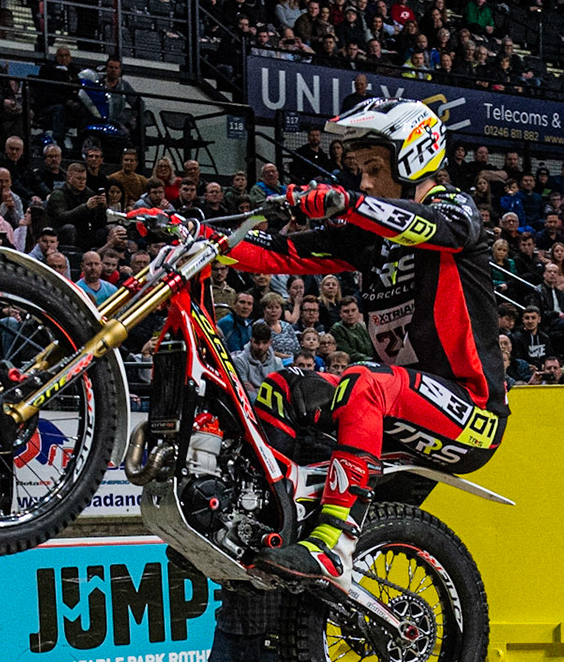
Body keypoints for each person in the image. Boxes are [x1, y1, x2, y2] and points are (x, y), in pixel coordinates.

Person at [210, 100, 506, 580]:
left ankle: (333, 544)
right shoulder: (367, 236)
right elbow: (278, 253)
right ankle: (265, 527)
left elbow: (441, 230)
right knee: (284, 387)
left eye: (373, 169)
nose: (363, 181)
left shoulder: (454, 208)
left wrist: (350, 203)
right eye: (357, 171)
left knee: (363, 379)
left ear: (414, 159)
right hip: (398, 403)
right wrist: (199, 238)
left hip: (473, 412)